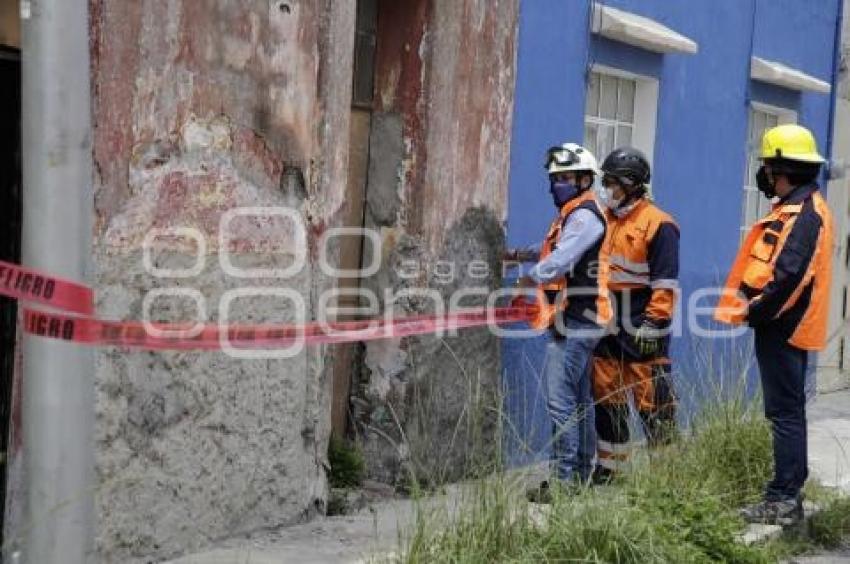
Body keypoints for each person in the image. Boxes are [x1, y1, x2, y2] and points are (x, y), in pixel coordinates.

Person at [715, 124, 833, 525]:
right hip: (781, 324)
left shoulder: (806, 215)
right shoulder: (793, 209)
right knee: (787, 411)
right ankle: (787, 493)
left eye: (767, 166)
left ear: (784, 169)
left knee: (784, 413)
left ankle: (783, 498)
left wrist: (755, 311)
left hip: (785, 327)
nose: (763, 173)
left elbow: (790, 277)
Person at [514, 142, 611, 502]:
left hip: (578, 321)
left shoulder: (584, 215)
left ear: (585, 179)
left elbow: (561, 259)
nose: (558, 185)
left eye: (566, 178)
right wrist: (517, 255)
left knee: (560, 403)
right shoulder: (572, 215)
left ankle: (563, 481)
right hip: (575, 319)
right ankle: (578, 475)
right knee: (579, 401)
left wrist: (528, 279)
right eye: (555, 178)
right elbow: (552, 250)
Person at [591, 147, 680, 482]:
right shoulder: (604, 220)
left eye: (610, 182)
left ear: (630, 184)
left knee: (653, 402)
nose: (605, 188)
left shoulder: (659, 224)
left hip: (642, 321)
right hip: (607, 322)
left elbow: (665, 282)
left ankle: (667, 480)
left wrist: (654, 323)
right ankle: (611, 471)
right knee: (607, 399)